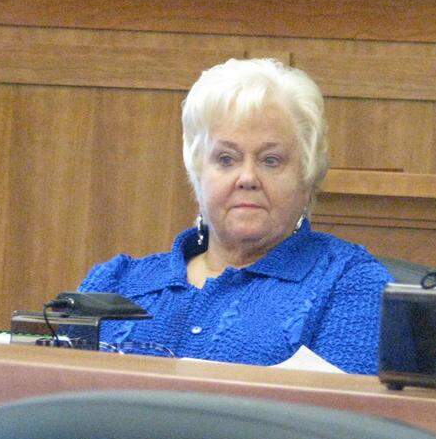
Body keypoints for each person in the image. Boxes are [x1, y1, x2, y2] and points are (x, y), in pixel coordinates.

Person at [79, 58, 390, 374]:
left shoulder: (349, 283)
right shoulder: (113, 282)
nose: (247, 178)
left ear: (308, 174)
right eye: (226, 159)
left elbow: (344, 404)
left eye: (271, 160)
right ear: (197, 172)